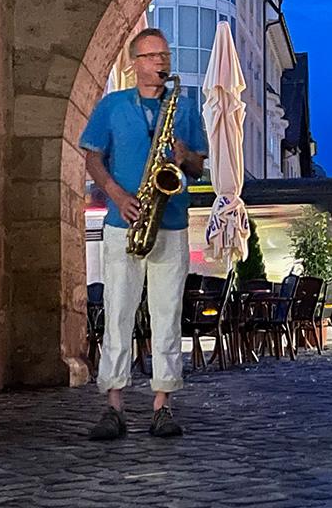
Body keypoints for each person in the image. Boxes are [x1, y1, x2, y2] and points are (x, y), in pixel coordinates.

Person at [80, 28, 208, 440]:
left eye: (165, 55)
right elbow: (93, 157)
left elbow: (197, 168)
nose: (161, 62)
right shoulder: (112, 106)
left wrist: (183, 154)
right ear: (134, 63)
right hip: (124, 223)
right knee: (118, 312)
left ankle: (163, 404)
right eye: (152, 56)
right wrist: (117, 196)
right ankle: (113, 404)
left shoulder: (183, 107)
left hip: (169, 222)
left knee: (167, 315)